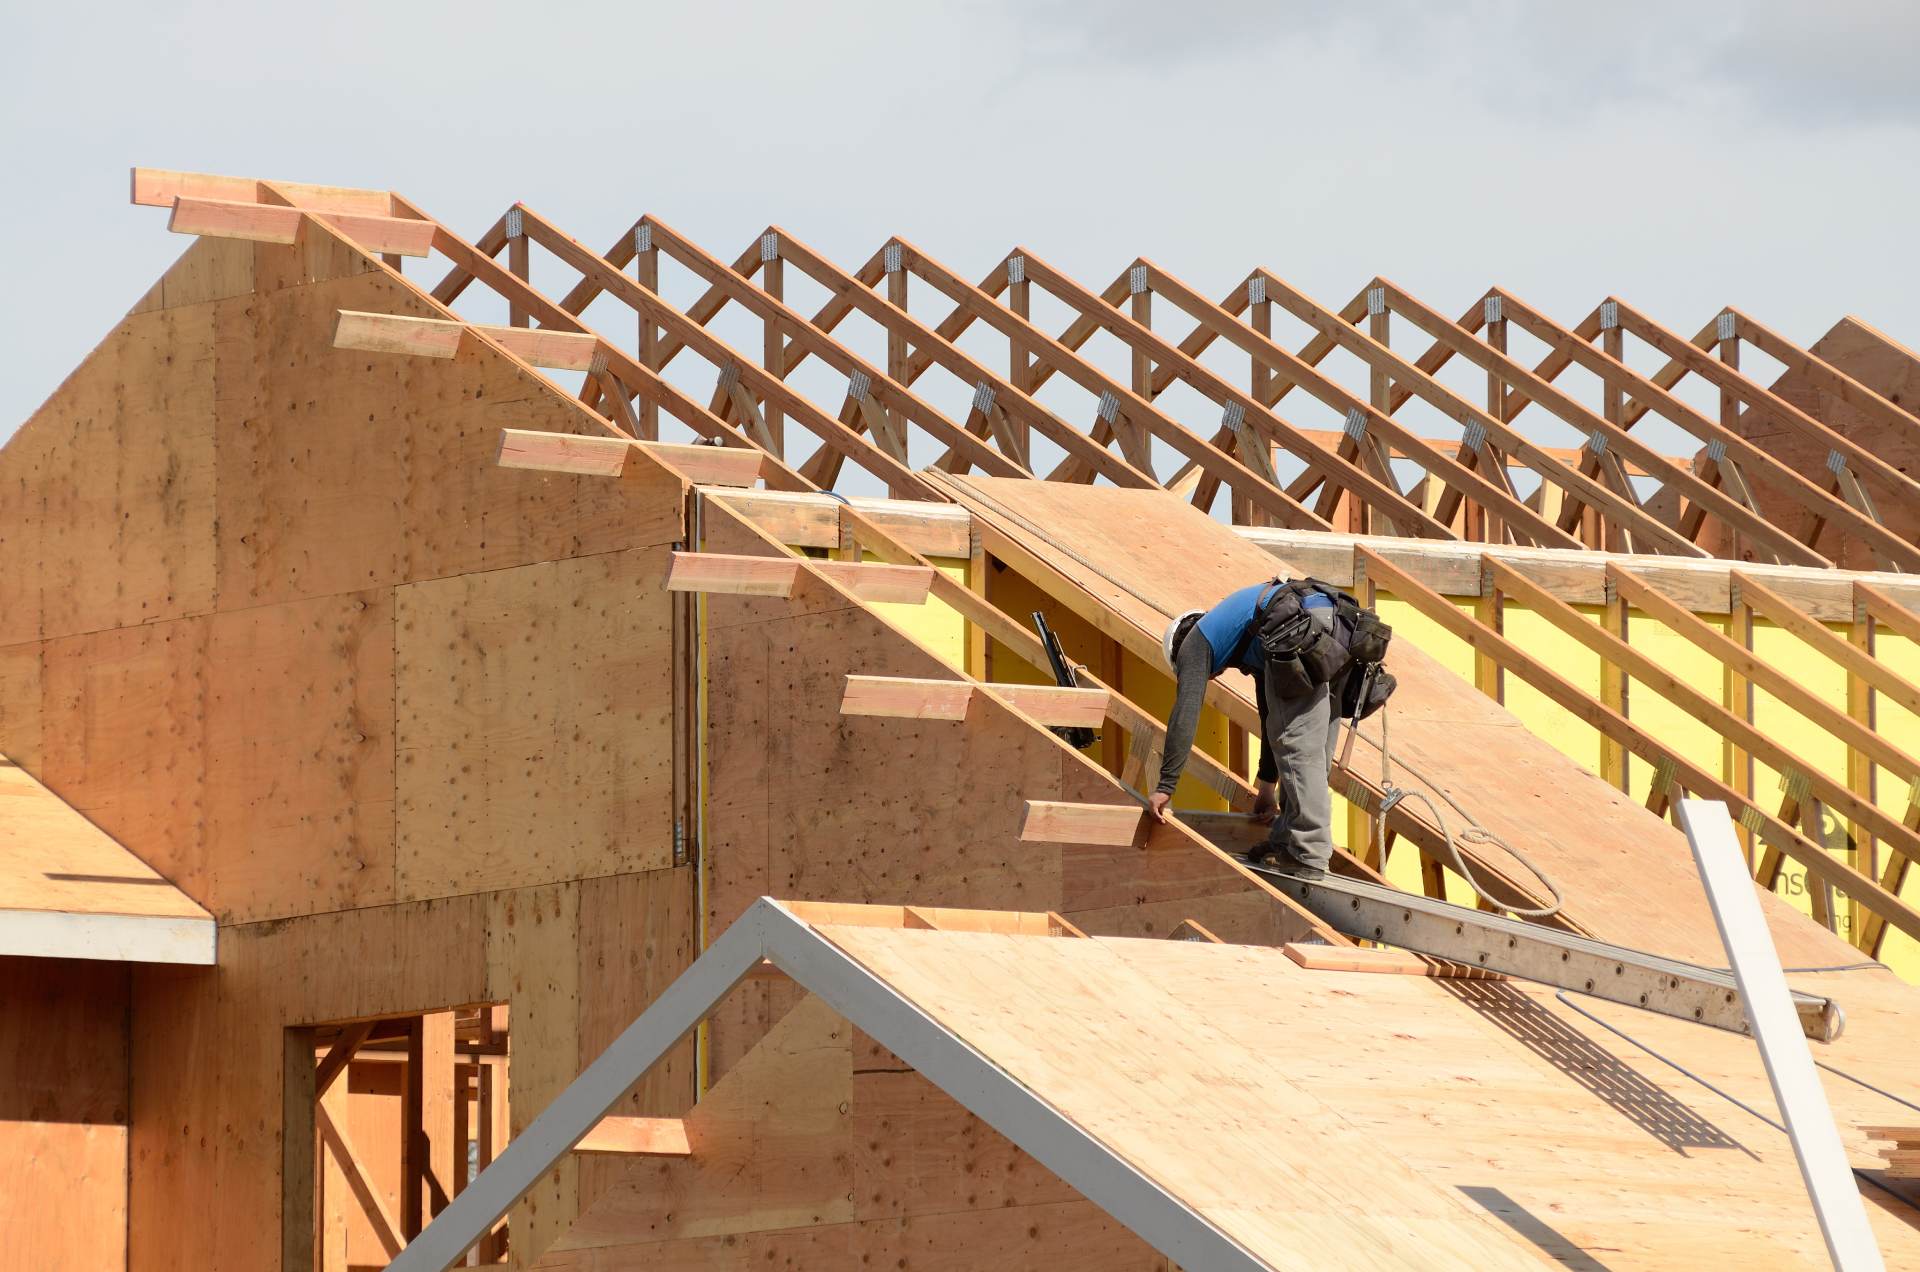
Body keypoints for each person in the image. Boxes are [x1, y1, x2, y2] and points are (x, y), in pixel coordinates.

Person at [1147, 579, 1357, 880]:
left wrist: (1165, 786)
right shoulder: (1249, 634)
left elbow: (1185, 713)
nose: (1213, 676)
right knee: (1313, 751)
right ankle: (1287, 841)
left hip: (1303, 630)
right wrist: (1267, 787)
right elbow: (1270, 718)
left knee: (1299, 747)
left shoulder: (1195, 642)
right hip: (1336, 628)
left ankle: (1309, 855)